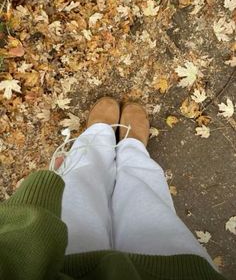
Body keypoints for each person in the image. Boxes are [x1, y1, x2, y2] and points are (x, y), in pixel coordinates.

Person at [0, 97, 226, 280]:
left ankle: (99, 139)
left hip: (44, 262)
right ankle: (132, 147)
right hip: (172, 269)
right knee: (147, 198)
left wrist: (40, 195)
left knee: (78, 188)